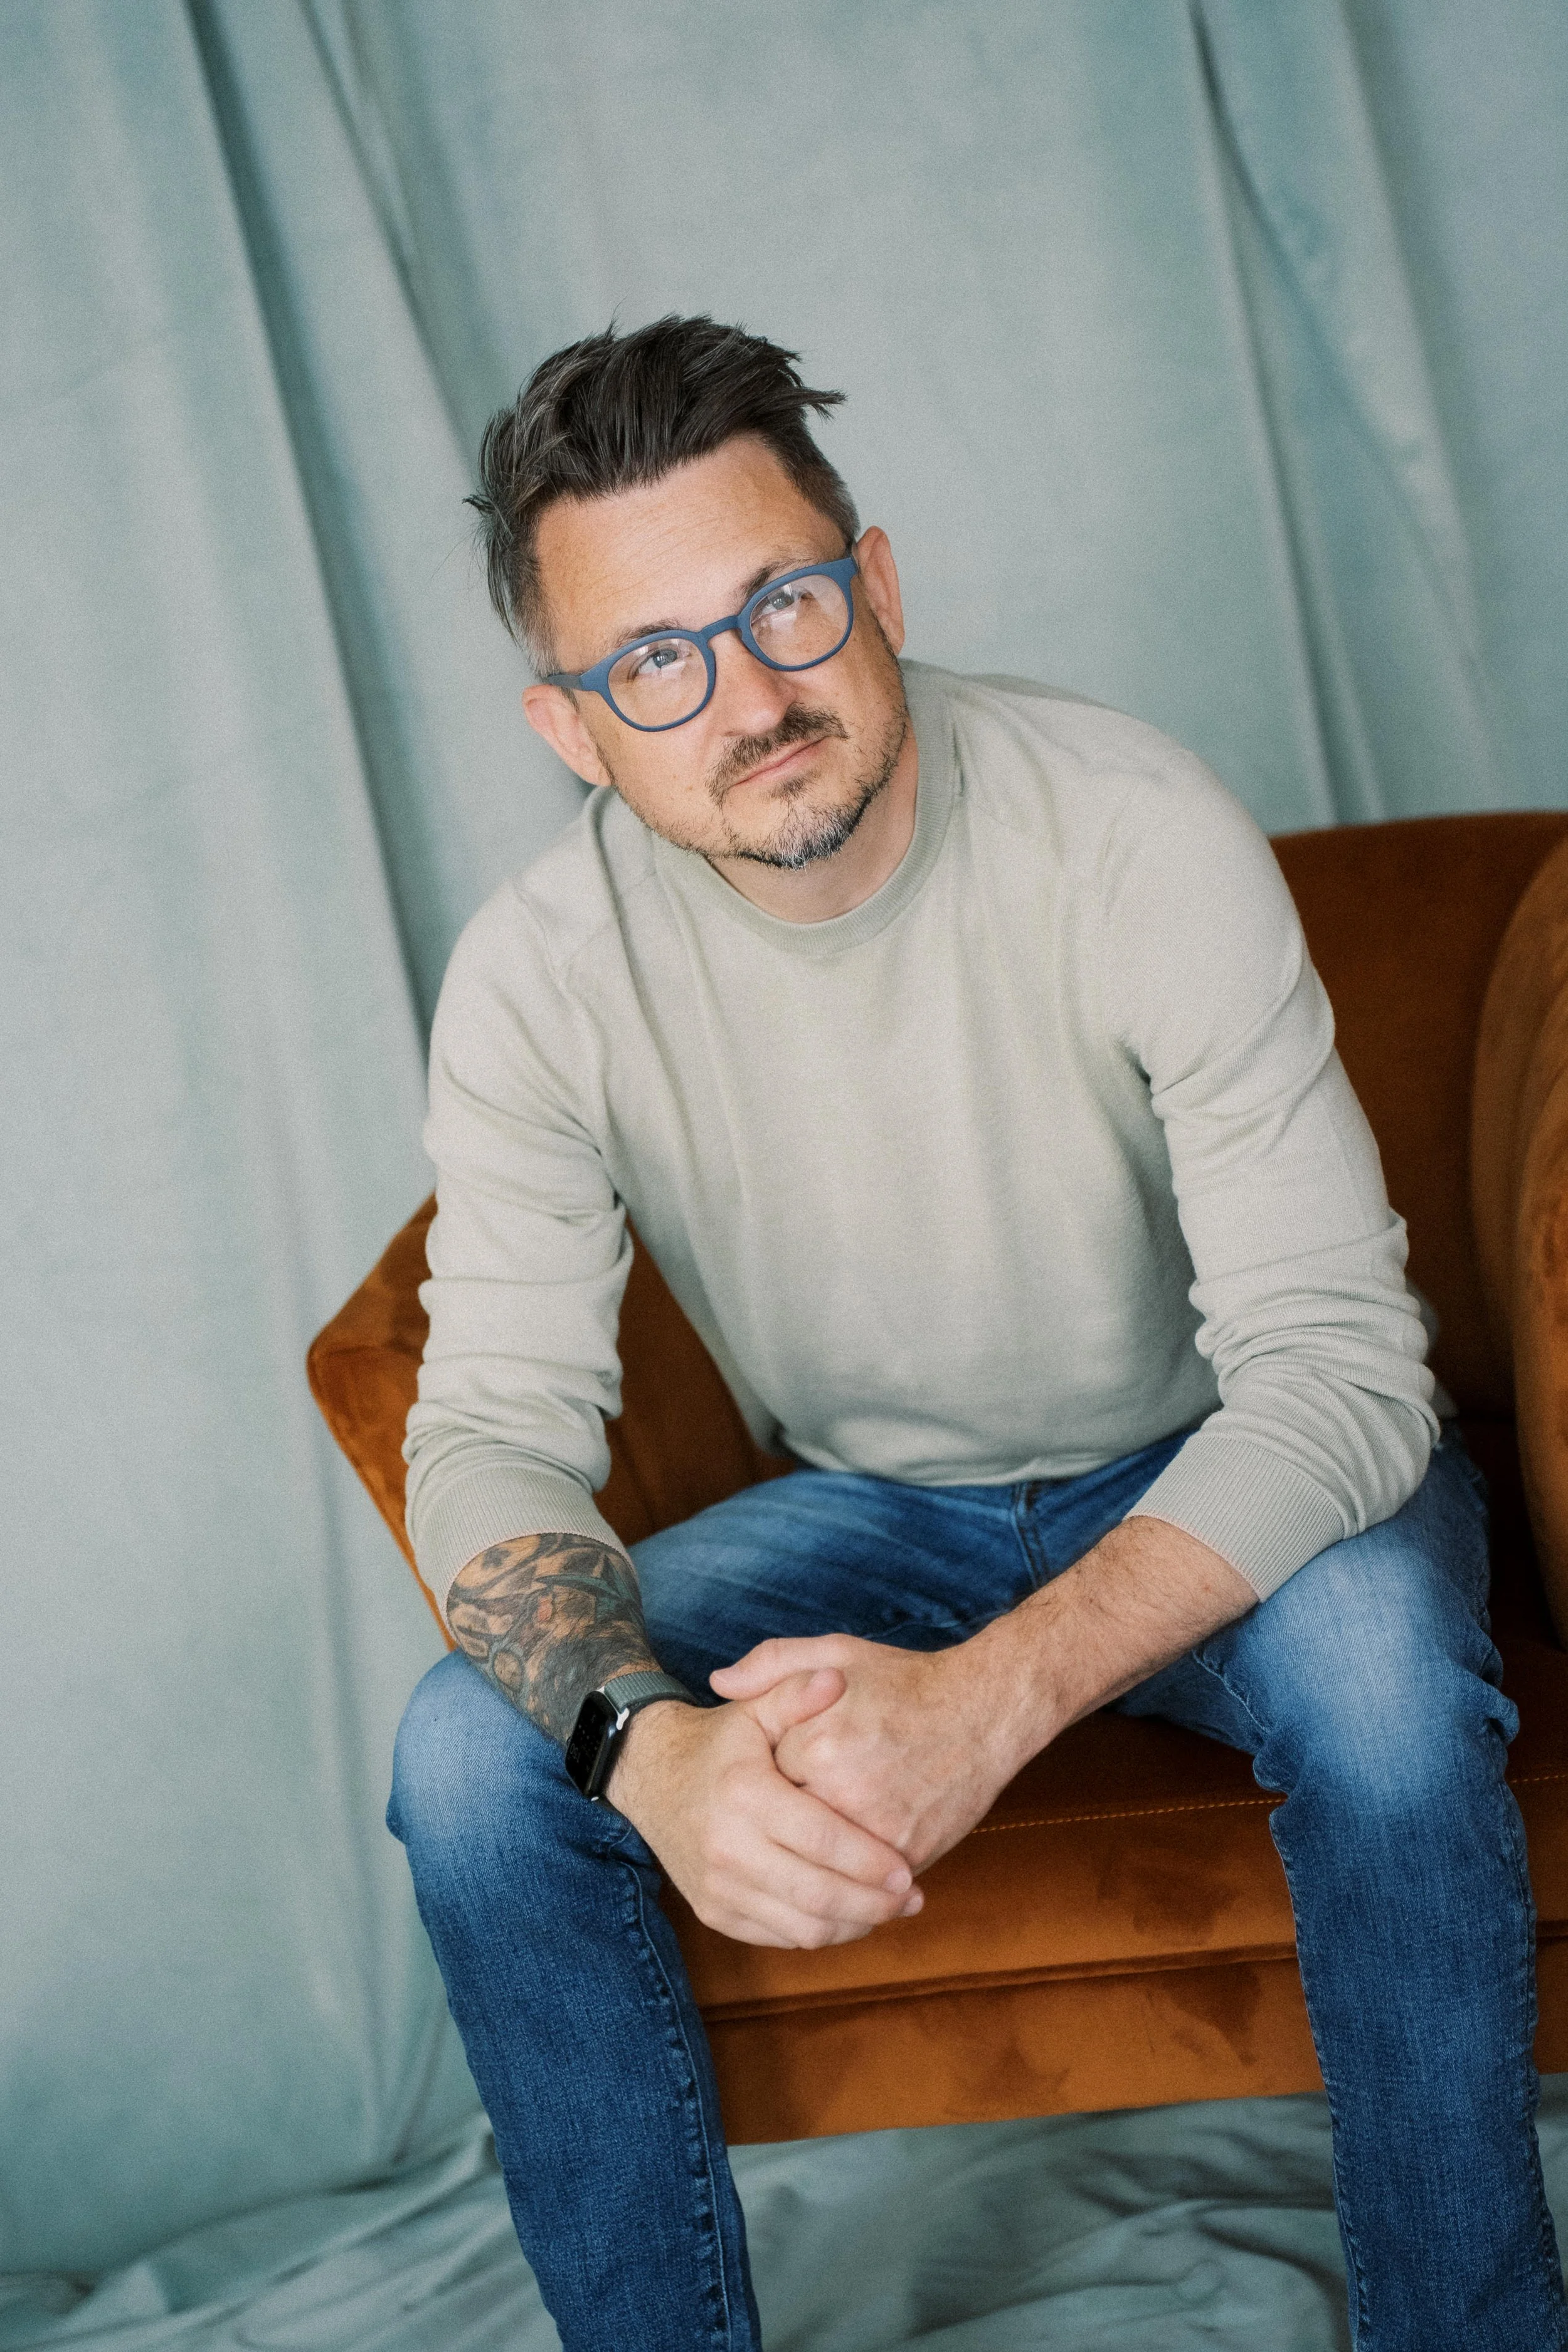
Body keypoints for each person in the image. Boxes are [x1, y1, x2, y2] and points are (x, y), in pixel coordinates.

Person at [386, 315, 1565, 2352]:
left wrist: (994, 1697)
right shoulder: (531, 982)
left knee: (1378, 1684)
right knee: (465, 1762)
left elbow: (1343, 1369)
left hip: (1222, 1459)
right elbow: (489, 1426)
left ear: (881, 583)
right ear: (571, 728)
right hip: (872, 1507)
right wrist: (641, 1745)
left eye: (784, 601)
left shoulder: (1131, 821)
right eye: (653, 660)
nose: (747, 695)